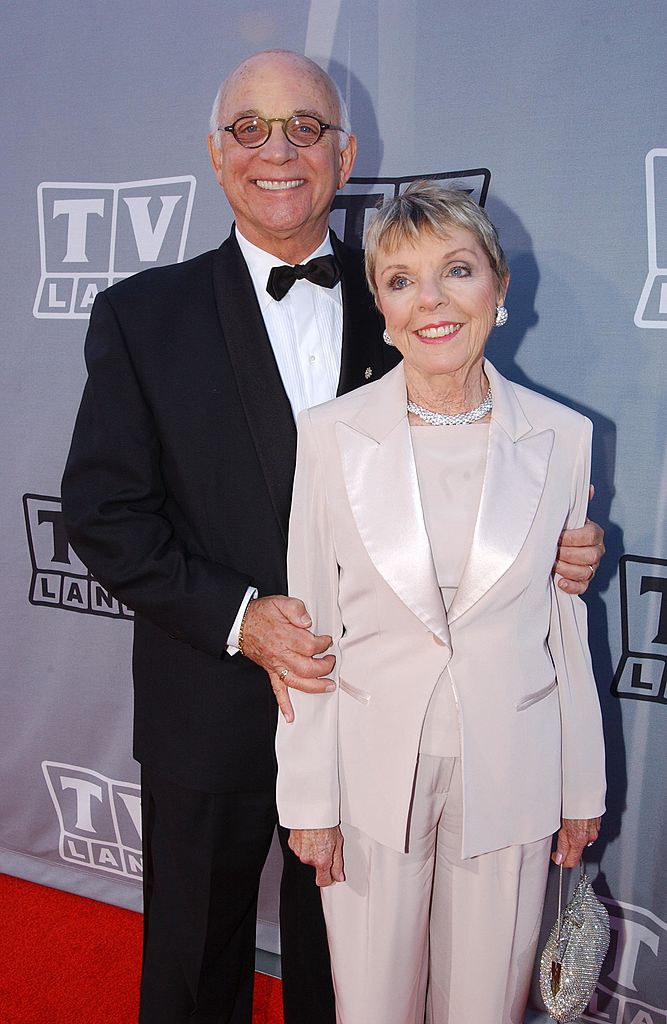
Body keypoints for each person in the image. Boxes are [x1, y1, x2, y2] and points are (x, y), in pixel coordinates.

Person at [61, 51, 604, 1024]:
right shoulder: (142, 316)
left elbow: (480, 475)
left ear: (345, 153)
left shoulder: (409, 295)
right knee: (193, 968)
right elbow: (103, 512)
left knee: (354, 980)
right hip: (210, 700)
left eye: (305, 127)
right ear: (215, 155)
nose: (279, 150)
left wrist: (558, 544)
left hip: (380, 727)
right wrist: (243, 619)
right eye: (251, 129)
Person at [277, 182, 606, 1024]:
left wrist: (581, 786)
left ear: (496, 291)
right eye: (399, 280)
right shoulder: (329, 435)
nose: (429, 302)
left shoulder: (564, 439)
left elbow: (565, 627)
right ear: (379, 308)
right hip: (370, 771)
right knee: (373, 1004)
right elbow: (308, 631)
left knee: (485, 1006)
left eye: (455, 271)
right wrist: (309, 802)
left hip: (516, 766)